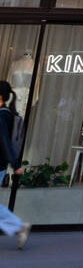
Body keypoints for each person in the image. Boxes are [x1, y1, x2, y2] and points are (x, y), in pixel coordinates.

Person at [0, 81, 30, 250]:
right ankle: (19, 227)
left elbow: (5, 141)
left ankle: (19, 227)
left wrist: (15, 163)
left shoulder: (2, 116)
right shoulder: (4, 114)